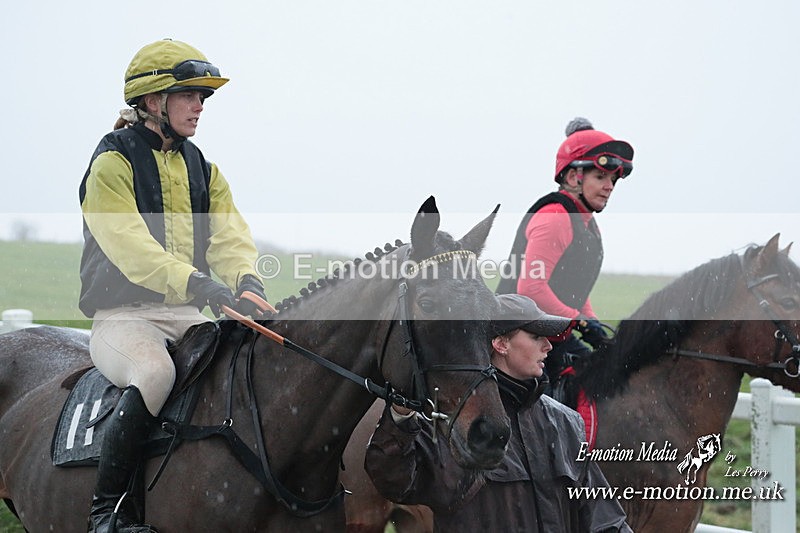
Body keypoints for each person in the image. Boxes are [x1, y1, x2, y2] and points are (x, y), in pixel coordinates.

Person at [78, 38, 267, 533]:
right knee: (156, 374)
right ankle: (108, 513)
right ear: (153, 101)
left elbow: (228, 235)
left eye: (204, 97)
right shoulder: (111, 164)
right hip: (124, 319)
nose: (200, 106)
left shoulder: (203, 167)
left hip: (185, 313)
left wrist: (246, 280)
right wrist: (202, 285)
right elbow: (132, 248)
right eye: (190, 95)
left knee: (245, 364)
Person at [364, 294, 632, 532]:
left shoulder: (565, 422)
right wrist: (400, 417)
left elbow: (604, 518)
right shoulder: (456, 423)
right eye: (537, 336)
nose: (549, 347)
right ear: (501, 343)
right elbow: (397, 483)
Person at [496, 118, 634, 387]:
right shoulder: (556, 217)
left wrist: (592, 323)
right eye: (601, 177)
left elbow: (576, 291)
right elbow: (531, 288)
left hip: (551, 333)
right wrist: (580, 323)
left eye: (613, 180)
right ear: (573, 177)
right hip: (516, 337)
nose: (609, 187)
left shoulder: (588, 224)